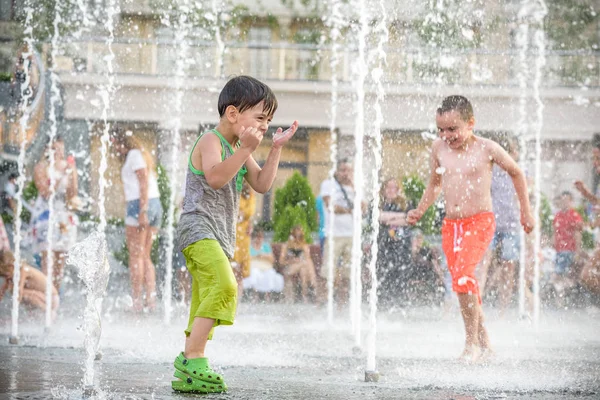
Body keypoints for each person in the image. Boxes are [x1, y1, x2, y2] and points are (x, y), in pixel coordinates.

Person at [173, 75, 298, 394]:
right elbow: (215, 177)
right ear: (232, 114)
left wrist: (275, 151)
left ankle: (189, 368)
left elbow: (262, 184)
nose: (265, 126)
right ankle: (192, 358)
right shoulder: (211, 141)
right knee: (225, 286)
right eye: (260, 118)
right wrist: (244, 150)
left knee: (205, 296)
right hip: (197, 226)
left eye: (268, 120)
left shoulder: (238, 147)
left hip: (218, 234)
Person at [407, 95, 534, 363]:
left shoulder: (487, 149)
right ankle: (486, 345)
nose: (446, 135)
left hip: (480, 221)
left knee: (465, 277)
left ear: (471, 123)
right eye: (441, 129)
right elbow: (434, 184)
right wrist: (420, 209)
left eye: (452, 129)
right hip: (451, 225)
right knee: (463, 285)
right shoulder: (438, 148)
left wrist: (526, 211)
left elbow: (517, 173)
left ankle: (470, 345)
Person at [111, 130, 163, 314]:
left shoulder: (133, 155)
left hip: (140, 206)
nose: (115, 148)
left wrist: (142, 211)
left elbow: (143, 183)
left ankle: (136, 301)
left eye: (115, 143)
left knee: (136, 255)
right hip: (154, 204)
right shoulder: (141, 154)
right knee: (145, 255)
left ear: (122, 142)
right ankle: (150, 299)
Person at [479, 138, 522, 312]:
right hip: (492, 223)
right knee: (484, 262)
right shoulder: (491, 170)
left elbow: (525, 197)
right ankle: (478, 303)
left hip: (512, 226)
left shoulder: (518, 171)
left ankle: (502, 311)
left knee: (508, 267)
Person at [32, 136, 78, 291]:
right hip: (45, 214)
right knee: (48, 258)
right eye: (55, 148)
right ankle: (46, 297)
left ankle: (56, 297)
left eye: (61, 149)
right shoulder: (41, 167)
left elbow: (73, 194)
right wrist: (60, 177)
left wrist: (71, 174)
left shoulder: (68, 166)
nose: (59, 152)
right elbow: (45, 193)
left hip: (63, 216)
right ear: (48, 149)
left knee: (60, 260)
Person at [319, 160, 355, 307]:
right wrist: (349, 211)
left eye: (348, 170)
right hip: (334, 235)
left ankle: (342, 304)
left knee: (348, 273)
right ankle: (321, 302)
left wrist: (354, 186)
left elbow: (364, 207)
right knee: (327, 271)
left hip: (352, 235)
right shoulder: (328, 184)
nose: (345, 173)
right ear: (337, 171)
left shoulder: (356, 186)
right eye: (342, 170)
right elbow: (330, 206)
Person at [376, 177, 412, 308]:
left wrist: (388, 218)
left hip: (402, 246)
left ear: (398, 190)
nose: (391, 190)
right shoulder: (378, 203)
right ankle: (383, 305)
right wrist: (399, 217)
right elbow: (377, 217)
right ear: (383, 189)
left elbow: (409, 219)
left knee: (401, 275)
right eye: (388, 187)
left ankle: (399, 305)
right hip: (383, 245)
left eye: (394, 188)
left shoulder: (406, 204)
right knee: (383, 275)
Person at [0, 250, 59, 317]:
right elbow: (2, 292)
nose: (5, 278)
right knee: (14, 291)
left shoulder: (24, 270)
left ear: (11, 266)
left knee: (19, 292)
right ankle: (35, 316)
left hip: (52, 298)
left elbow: (19, 290)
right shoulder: (11, 274)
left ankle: (50, 313)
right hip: (43, 297)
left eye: (5, 275)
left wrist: (15, 308)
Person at [279, 224, 317, 303]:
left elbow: (307, 257)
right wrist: (292, 261)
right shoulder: (286, 245)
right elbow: (281, 262)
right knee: (306, 263)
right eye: (295, 235)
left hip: (302, 267)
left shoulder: (304, 245)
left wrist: (302, 246)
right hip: (290, 268)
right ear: (292, 235)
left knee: (303, 270)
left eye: (300, 236)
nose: (297, 238)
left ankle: (304, 295)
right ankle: (313, 284)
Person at [243, 229, 284, 301]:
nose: (258, 239)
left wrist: (263, 256)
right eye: (257, 237)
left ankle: (267, 295)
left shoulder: (266, 246)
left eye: (260, 237)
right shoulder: (249, 246)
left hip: (266, 267)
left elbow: (272, 260)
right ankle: (254, 294)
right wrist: (256, 256)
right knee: (254, 273)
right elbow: (246, 258)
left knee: (270, 274)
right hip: (254, 266)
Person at [232, 181, 256, 300]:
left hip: (243, 235)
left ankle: (237, 303)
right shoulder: (230, 190)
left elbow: (250, 210)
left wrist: (241, 213)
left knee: (240, 271)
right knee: (230, 268)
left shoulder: (248, 194)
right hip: (231, 233)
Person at [552, 191, 583, 279]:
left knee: (559, 275)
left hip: (569, 250)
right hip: (558, 250)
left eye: (566, 200)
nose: (564, 202)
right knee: (560, 275)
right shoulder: (557, 215)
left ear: (571, 201)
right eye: (562, 200)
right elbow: (555, 232)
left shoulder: (575, 216)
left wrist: (577, 251)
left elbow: (578, 234)